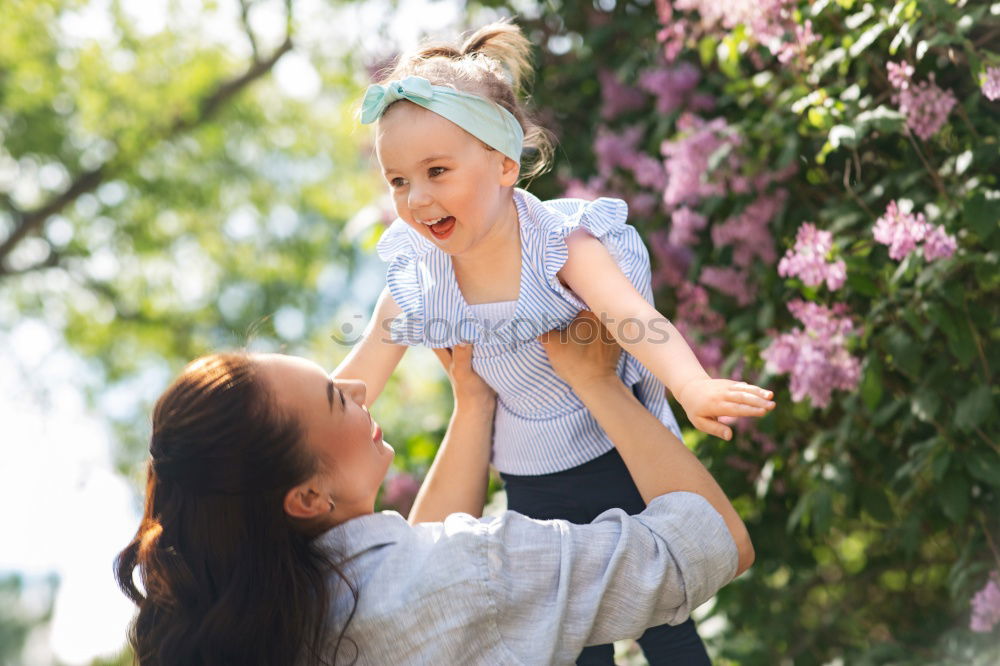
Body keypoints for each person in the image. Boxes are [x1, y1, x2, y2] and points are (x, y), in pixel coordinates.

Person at [335, 20, 775, 663]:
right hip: (531, 473)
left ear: (504, 164)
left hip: (614, 448)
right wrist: (274, 443)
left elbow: (632, 317)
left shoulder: (556, 241)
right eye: (399, 181)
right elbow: (357, 380)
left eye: (436, 171)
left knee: (666, 616)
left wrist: (691, 385)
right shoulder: (418, 269)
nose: (417, 199)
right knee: (568, 632)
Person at [116, 311, 760, 665]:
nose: (361, 388)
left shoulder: (280, 622)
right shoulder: (467, 575)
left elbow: (417, 575)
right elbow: (712, 543)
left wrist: (473, 405)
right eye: (335, 398)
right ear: (307, 499)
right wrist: (600, 385)